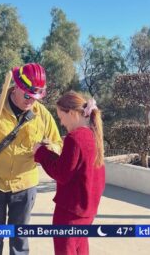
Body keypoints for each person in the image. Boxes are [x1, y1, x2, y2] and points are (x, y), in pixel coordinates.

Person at [0, 63, 62, 255]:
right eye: (27, 96)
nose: (31, 101)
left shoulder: (42, 115)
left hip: (25, 187)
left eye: (36, 97)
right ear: (16, 87)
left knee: (20, 240)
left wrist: (50, 148)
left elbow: (58, 143)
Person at [33, 91, 105, 255]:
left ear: (72, 113)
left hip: (71, 212)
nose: (61, 122)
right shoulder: (93, 134)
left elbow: (62, 173)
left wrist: (41, 152)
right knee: (81, 248)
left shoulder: (74, 137)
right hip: (87, 210)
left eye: (61, 117)